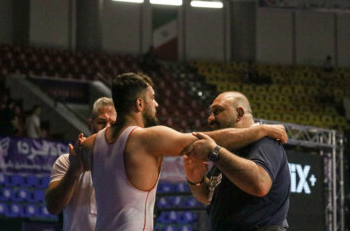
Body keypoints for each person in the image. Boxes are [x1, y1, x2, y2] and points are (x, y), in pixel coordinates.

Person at [79, 72, 288, 231]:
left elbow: (259, 184)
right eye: (153, 98)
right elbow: (197, 142)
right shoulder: (146, 138)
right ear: (140, 103)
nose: (157, 103)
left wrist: (201, 173)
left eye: (217, 111)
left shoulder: (90, 144)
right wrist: (260, 129)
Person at [183, 92, 290, 231]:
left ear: (239, 113)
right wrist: (196, 179)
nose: (210, 119)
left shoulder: (265, 141)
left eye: (217, 111)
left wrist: (214, 152)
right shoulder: (227, 150)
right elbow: (208, 196)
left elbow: (259, 184)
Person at [45, 97, 117, 231]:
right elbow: (53, 207)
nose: (107, 128)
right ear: (90, 124)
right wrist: (74, 171)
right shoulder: (66, 161)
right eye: (101, 122)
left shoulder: (124, 164)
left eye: (113, 124)